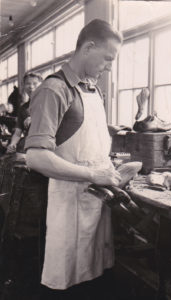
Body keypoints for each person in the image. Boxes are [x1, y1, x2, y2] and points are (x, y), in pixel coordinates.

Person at [25, 19, 123, 299]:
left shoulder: (92, 90)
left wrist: (111, 170)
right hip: (66, 204)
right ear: (88, 47)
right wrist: (94, 175)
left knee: (94, 276)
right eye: (107, 58)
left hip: (96, 201)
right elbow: (36, 158)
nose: (109, 67)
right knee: (67, 281)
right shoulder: (54, 90)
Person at [6, 72, 43, 154]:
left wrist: (34, 118)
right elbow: (18, 133)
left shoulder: (49, 102)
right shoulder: (23, 108)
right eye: (28, 84)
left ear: (41, 85)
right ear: (23, 86)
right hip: (30, 146)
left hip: (47, 145)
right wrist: (12, 144)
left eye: (35, 83)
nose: (31, 87)